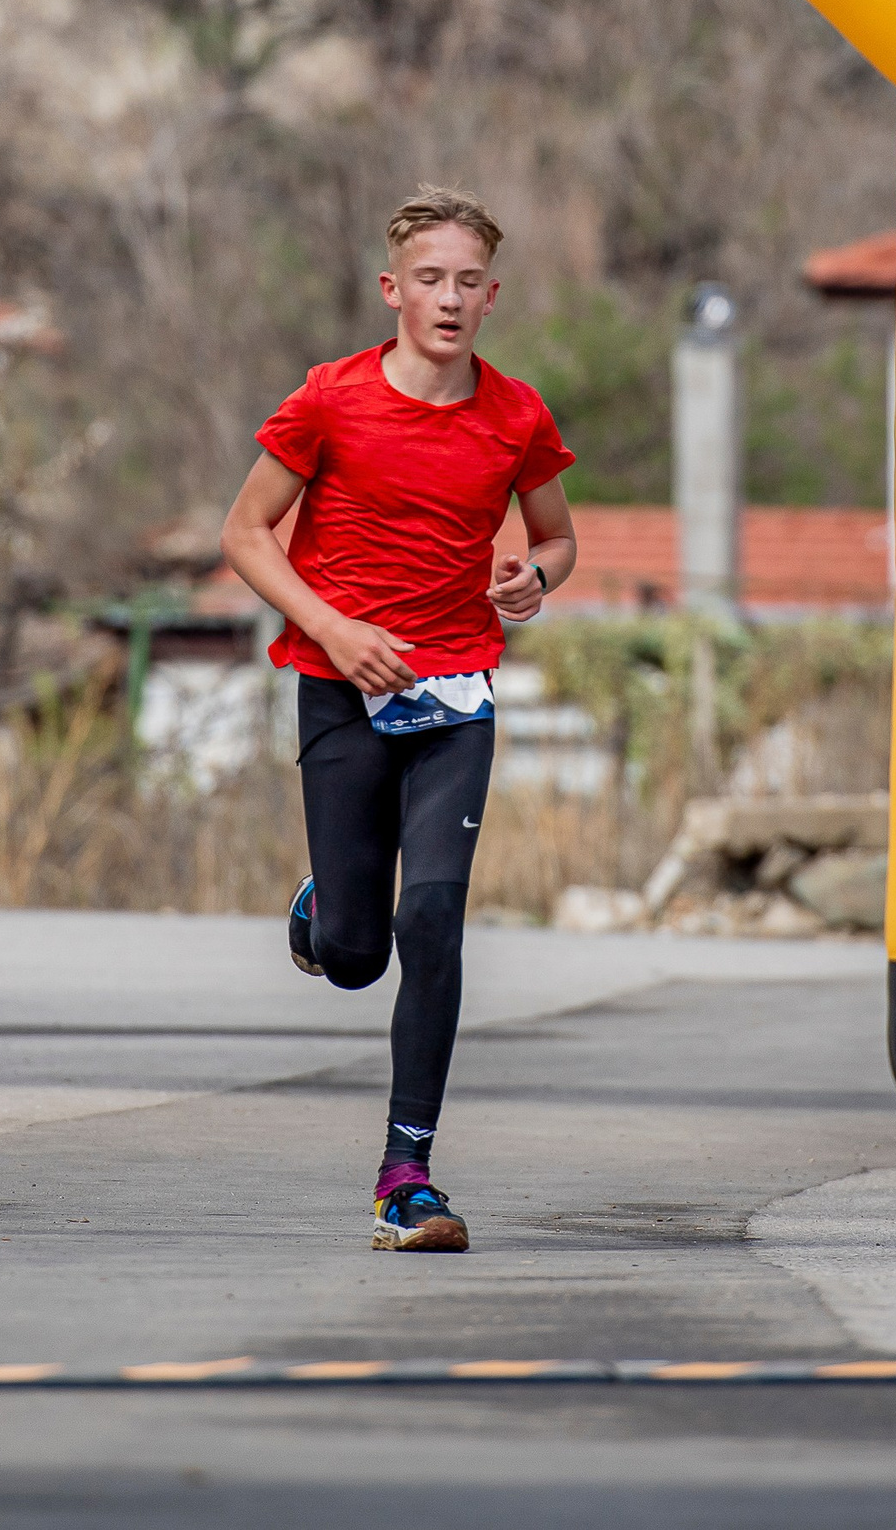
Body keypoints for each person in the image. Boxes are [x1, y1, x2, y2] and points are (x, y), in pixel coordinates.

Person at [219, 186, 577, 1253]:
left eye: (469, 281)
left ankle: (406, 1174)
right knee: (356, 953)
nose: (450, 298)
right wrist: (330, 627)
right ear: (393, 291)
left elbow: (556, 540)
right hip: (338, 684)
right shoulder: (328, 400)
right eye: (430, 279)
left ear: (492, 295)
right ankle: (327, 905)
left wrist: (533, 581)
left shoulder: (516, 415)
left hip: (453, 697)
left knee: (431, 922)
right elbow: (244, 534)